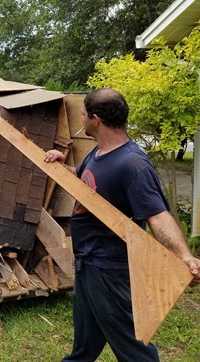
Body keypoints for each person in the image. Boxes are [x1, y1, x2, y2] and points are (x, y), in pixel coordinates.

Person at [43, 88, 200, 362]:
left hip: (109, 269)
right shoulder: (100, 153)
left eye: (82, 113)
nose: (80, 118)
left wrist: (184, 256)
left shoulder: (133, 164)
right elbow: (86, 182)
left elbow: (158, 215)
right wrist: (63, 167)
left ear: (96, 119)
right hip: (88, 264)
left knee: (134, 348)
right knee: (84, 346)